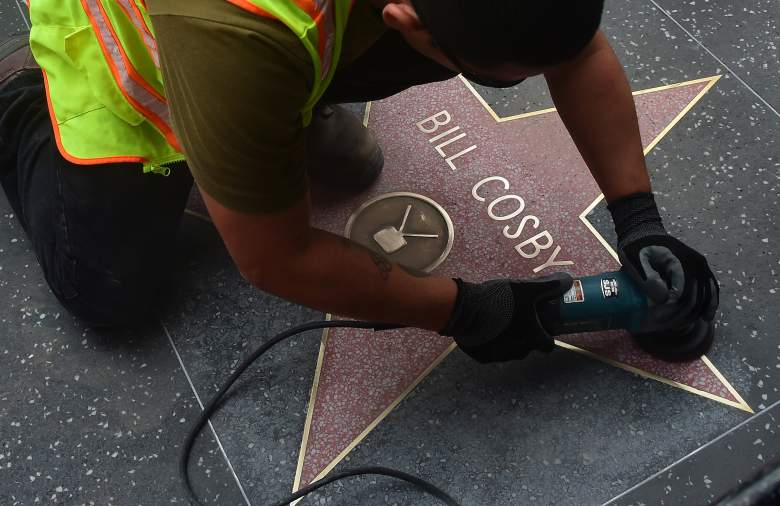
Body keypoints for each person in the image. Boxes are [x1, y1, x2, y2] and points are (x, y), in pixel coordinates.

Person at [0, 0, 717, 363]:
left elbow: (572, 43)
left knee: (355, 155)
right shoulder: (240, 37)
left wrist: (639, 218)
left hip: (265, 51)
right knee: (108, 290)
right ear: (403, 17)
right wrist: (473, 311)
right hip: (125, 46)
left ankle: (267, 114)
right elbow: (276, 259)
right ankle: (20, 101)